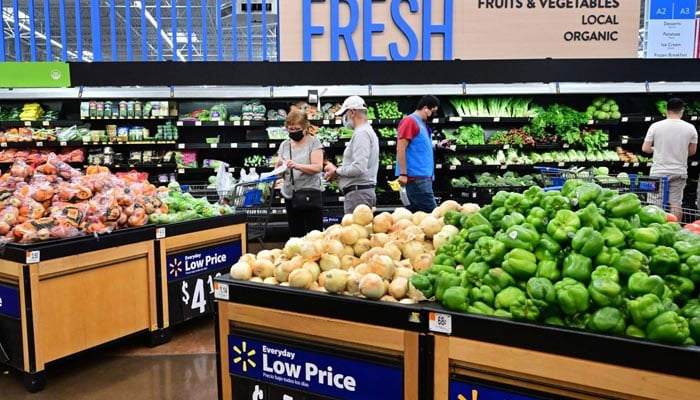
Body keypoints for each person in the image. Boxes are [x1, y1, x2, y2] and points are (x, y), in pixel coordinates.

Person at [642, 97, 698, 221]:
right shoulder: (691, 128)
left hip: (659, 171)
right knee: (676, 203)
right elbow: (692, 151)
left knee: (655, 203)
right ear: (682, 111)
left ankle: (656, 227)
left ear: (666, 111)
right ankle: (675, 229)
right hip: (679, 171)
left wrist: (658, 150)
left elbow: (645, 148)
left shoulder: (655, 126)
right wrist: (679, 153)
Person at [324, 95, 380, 214]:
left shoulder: (362, 133)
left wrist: (336, 171)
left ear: (352, 112)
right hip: (360, 194)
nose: (344, 118)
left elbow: (359, 167)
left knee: (356, 231)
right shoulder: (366, 131)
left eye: (345, 113)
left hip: (358, 196)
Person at [395, 95, 450, 213]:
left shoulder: (421, 124)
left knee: (417, 216)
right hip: (416, 178)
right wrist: (403, 174)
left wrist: (438, 146)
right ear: (426, 108)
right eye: (433, 111)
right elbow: (401, 148)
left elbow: (420, 147)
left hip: (423, 178)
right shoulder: (410, 121)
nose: (433, 115)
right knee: (433, 216)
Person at [275, 110, 324, 237]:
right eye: (290, 129)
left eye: (296, 128)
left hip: (310, 194)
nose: (293, 132)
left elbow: (318, 167)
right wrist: (279, 166)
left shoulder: (314, 142)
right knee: (296, 234)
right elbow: (279, 174)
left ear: (305, 128)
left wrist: (297, 166)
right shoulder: (284, 145)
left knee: (314, 235)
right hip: (290, 195)